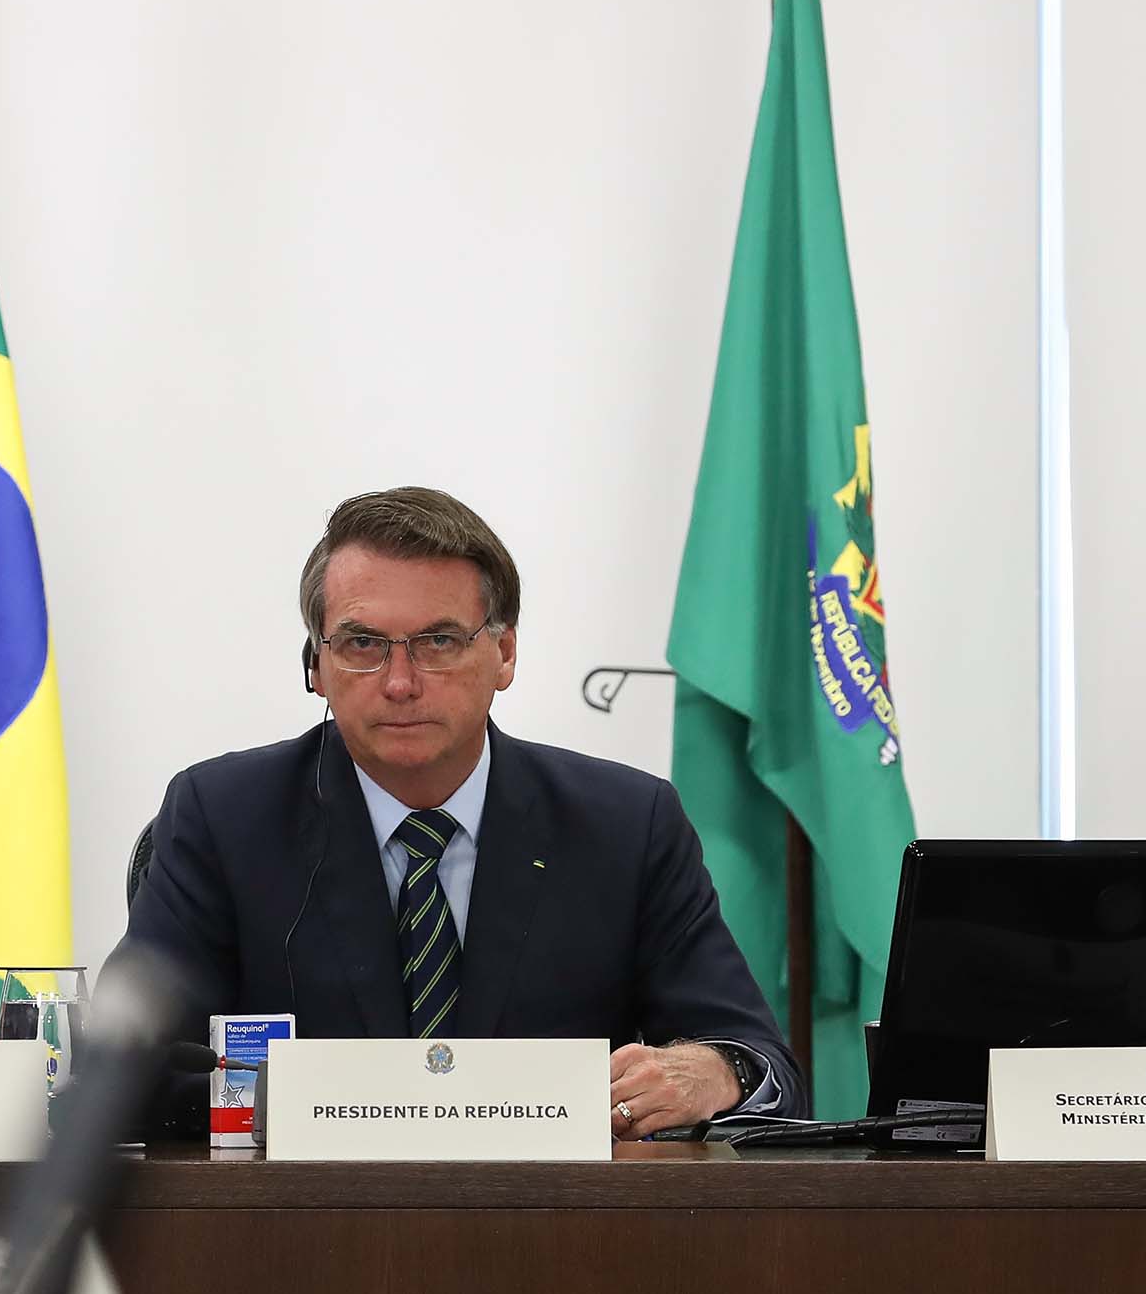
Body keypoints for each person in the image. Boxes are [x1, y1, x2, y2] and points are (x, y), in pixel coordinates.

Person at [105, 486, 805, 1139]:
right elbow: (126, 1071)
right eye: (362, 645)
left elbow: (759, 1062)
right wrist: (337, 1104)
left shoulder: (625, 824)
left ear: (503, 652)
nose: (401, 683)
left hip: (564, 1238)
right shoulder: (225, 817)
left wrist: (716, 1073)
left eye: (439, 642)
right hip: (303, 1233)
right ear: (315, 665)